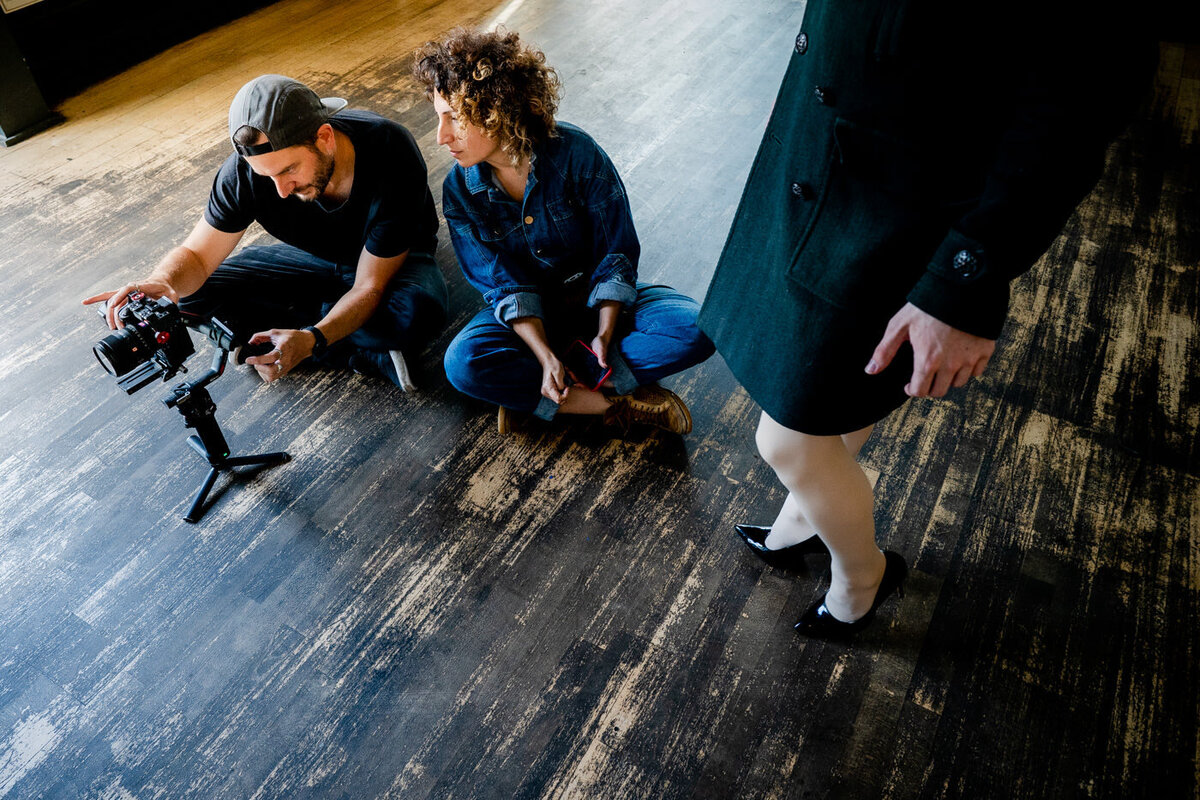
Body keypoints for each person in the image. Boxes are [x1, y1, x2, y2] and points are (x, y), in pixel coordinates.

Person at [698, 4, 1157, 637]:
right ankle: (806, 519)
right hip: (819, 161)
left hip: (900, 213)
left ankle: (862, 576)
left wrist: (963, 281)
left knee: (785, 440)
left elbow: (1076, 109)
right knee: (827, 398)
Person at [412, 28, 714, 435]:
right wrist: (544, 355)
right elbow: (503, 287)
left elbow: (616, 256)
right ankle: (613, 403)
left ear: (496, 108)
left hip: (599, 305)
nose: (441, 137)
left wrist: (605, 332)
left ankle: (541, 401)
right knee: (462, 362)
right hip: (529, 322)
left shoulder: (577, 154)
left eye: (455, 117)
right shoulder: (459, 190)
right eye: (439, 118)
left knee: (698, 327)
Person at [84, 74, 448, 391]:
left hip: (391, 264)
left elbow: (370, 286)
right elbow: (196, 256)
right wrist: (162, 282)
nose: (281, 191)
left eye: (289, 169)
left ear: (324, 137)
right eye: (265, 176)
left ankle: (320, 343)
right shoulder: (243, 175)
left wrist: (312, 339)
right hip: (317, 260)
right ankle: (346, 340)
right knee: (184, 298)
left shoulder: (388, 148)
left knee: (415, 313)